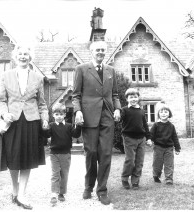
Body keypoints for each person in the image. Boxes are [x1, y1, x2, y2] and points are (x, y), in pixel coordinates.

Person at [0, 44, 49, 210]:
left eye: (26, 54)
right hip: (12, 122)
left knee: (27, 158)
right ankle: (14, 189)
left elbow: (42, 104)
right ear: (15, 57)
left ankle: (21, 194)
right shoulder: (6, 75)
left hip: (31, 122)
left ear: (30, 57)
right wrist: (4, 114)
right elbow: (1, 100)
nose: (23, 56)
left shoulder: (38, 78)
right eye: (20, 54)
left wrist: (45, 119)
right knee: (13, 157)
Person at [72, 40, 121, 205]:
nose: (100, 52)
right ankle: (88, 185)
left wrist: (118, 109)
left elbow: (114, 94)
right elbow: (76, 95)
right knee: (91, 153)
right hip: (89, 117)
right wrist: (78, 111)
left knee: (106, 154)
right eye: (97, 50)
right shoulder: (81, 69)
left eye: (103, 50)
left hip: (107, 116)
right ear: (91, 52)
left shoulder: (111, 70)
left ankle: (102, 190)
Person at [42, 103, 82, 206]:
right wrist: (44, 128)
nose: (59, 116)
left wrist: (78, 126)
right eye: (56, 114)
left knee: (64, 174)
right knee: (55, 174)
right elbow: (46, 135)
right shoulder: (51, 125)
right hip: (54, 154)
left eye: (61, 114)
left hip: (66, 154)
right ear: (53, 115)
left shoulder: (69, 126)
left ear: (64, 115)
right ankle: (54, 194)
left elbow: (76, 134)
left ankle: (61, 193)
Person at [120, 88, 152, 190]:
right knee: (130, 160)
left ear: (138, 98)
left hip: (141, 139)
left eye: (135, 97)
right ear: (127, 99)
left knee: (139, 162)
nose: (133, 99)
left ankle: (135, 182)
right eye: (131, 97)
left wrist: (148, 138)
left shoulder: (141, 111)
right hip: (129, 138)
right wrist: (117, 113)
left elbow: (145, 125)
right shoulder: (124, 110)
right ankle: (125, 179)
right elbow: (119, 119)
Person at [150, 103, 181, 185]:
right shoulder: (156, 125)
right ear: (158, 114)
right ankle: (156, 176)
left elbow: (175, 137)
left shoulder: (171, 126)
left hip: (169, 148)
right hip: (158, 147)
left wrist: (177, 148)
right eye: (161, 112)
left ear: (169, 114)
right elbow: (151, 135)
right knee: (157, 163)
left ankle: (169, 179)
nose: (163, 114)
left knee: (169, 164)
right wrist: (149, 140)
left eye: (166, 112)